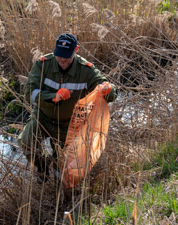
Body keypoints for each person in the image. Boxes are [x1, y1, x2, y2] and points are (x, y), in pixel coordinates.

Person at [20, 32, 116, 177]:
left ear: (76, 50)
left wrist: (108, 90)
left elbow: (110, 92)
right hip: (42, 117)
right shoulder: (43, 64)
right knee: (27, 143)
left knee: (62, 168)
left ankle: (56, 171)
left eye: (67, 56)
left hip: (69, 124)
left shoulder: (86, 70)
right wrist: (53, 96)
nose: (62, 59)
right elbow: (28, 93)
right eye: (59, 55)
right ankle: (43, 169)